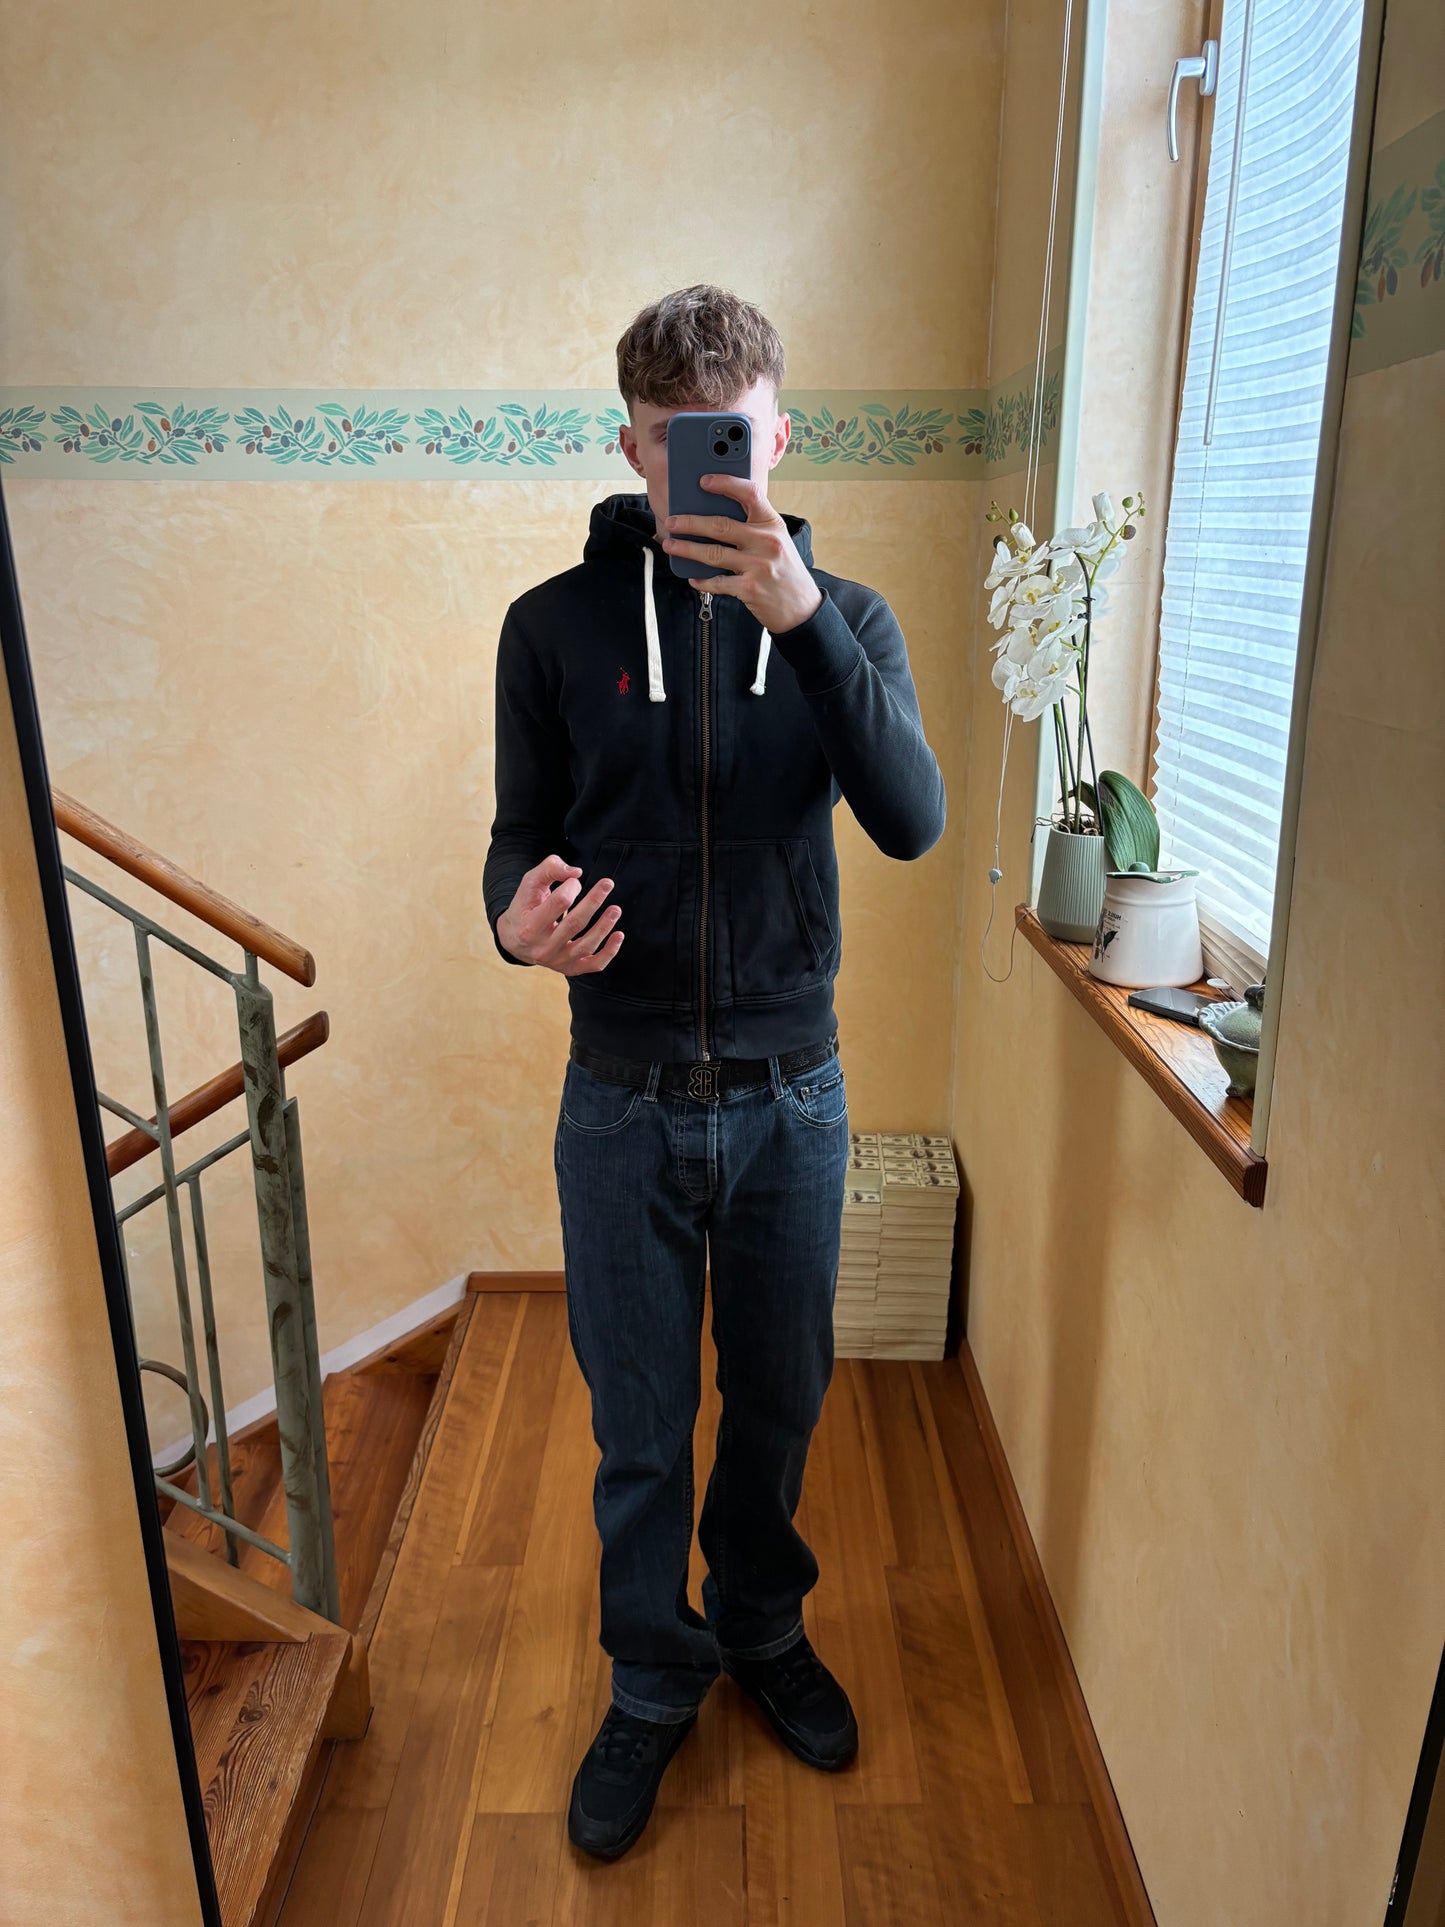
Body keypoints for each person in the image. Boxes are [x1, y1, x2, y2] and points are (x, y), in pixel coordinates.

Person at [482, 284, 946, 1860]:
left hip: (790, 1098)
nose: (708, 472)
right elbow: (515, 837)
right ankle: (651, 1674)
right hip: (616, 1098)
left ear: (780, 433)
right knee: (636, 1425)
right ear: (629, 446)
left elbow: (911, 821)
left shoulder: (847, 618)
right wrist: (513, 922)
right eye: (677, 443)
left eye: (734, 442)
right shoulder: (550, 626)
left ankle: (758, 1621)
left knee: (779, 1403)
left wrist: (799, 617)